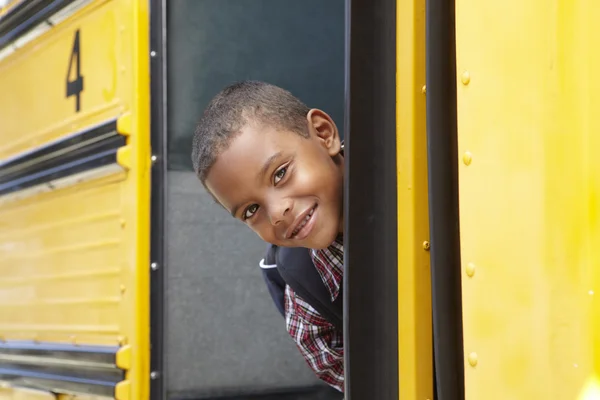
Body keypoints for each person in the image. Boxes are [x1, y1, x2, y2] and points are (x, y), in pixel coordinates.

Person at [191, 81, 345, 393]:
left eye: (279, 174)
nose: (277, 214)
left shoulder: (414, 171)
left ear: (323, 134)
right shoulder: (305, 294)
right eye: (250, 210)